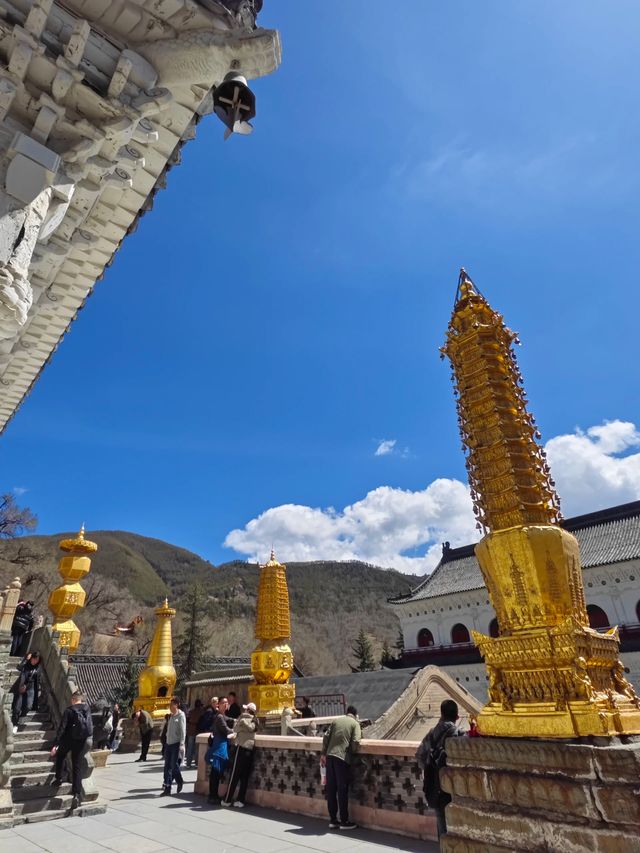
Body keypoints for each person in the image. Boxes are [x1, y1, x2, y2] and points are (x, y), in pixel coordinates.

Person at [417, 699, 464, 839]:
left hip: (436, 788)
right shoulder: (458, 734)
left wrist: (431, 771)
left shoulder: (432, 733)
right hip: (455, 789)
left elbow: (419, 755)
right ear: (457, 717)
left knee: (442, 827)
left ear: (441, 714)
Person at [321, 704, 361, 831]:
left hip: (329, 757)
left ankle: (333, 820)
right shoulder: (355, 724)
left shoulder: (336, 721)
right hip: (341, 758)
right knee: (342, 790)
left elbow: (326, 737)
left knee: (331, 789)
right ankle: (344, 821)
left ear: (346, 712)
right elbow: (355, 742)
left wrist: (323, 753)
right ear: (355, 715)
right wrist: (352, 753)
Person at [50, 690, 93, 808]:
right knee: (77, 766)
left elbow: (62, 728)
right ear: (81, 699)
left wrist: (55, 744)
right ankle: (77, 794)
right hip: (81, 741)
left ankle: (58, 778)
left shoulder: (69, 711)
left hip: (67, 740)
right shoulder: (87, 709)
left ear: (73, 699)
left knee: (61, 756)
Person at [221, 702, 258, 808]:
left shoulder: (242, 718)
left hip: (241, 748)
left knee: (234, 775)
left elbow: (235, 729)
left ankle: (227, 799)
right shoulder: (255, 720)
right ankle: (240, 800)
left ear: (247, 710)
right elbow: (251, 729)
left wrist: (240, 723)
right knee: (244, 776)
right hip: (250, 749)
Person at [205, 697, 234, 804]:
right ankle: (213, 795)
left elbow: (228, 719)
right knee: (215, 773)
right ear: (218, 705)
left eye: (227, 703)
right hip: (219, 747)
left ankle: (213, 795)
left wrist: (238, 720)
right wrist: (236, 730)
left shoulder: (221, 716)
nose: (225, 704)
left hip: (220, 746)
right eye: (223, 703)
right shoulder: (219, 717)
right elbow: (226, 729)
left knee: (215, 773)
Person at [10, 650, 40, 732]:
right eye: (34, 659)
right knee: (17, 708)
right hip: (22, 686)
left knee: (28, 706)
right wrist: (26, 659)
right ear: (31, 658)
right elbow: (19, 667)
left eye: (37, 660)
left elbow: (37, 679)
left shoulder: (38, 668)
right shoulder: (26, 665)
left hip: (31, 687)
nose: (35, 661)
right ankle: (15, 724)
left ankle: (20, 718)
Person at [161, 697, 186, 796]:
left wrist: (182, 744)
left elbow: (183, 731)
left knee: (173, 765)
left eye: (171, 705)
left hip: (176, 744)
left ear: (176, 705)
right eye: (169, 705)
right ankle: (167, 788)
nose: (170, 707)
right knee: (167, 766)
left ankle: (179, 781)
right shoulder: (170, 716)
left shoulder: (181, 715)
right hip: (168, 743)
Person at [186, 698, 204, 767]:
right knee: (197, 748)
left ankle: (188, 763)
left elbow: (187, 719)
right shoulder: (202, 712)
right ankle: (196, 763)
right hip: (198, 731)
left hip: (190, 730)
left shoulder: (191, 711)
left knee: (190, 747)